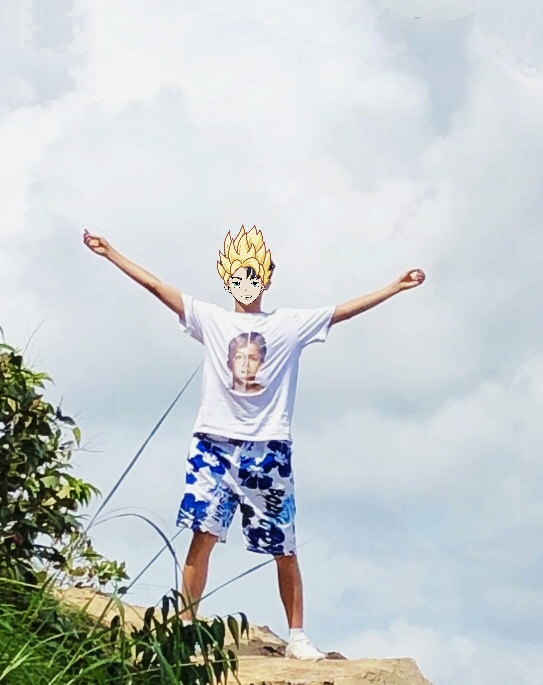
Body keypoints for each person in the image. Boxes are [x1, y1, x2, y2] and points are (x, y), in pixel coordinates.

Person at [81, 224, 425, 660]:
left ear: (266, 276)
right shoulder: (212, 318)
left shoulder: (289, 324)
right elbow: (155, 286)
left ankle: (297, 636)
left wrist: (394, 287)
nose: (246, 284)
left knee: (284, 545)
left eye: (253, 274)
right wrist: (111, 252)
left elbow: (343, 311)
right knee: (202, 535)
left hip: (268, 447)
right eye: (238, 275)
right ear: (227, 277)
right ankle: (186, 628)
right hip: (214, 445)